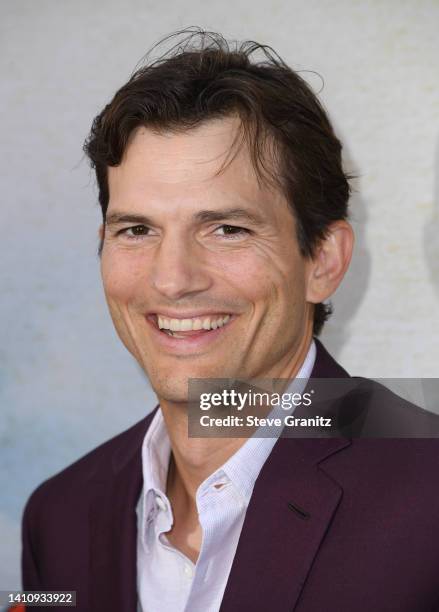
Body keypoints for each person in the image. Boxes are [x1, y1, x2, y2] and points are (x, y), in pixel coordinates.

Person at [21, 30, 439, 611]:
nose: (172, 279)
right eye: (136, 230)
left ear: (323, 260)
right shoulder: (58, 515)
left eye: (227, 229)